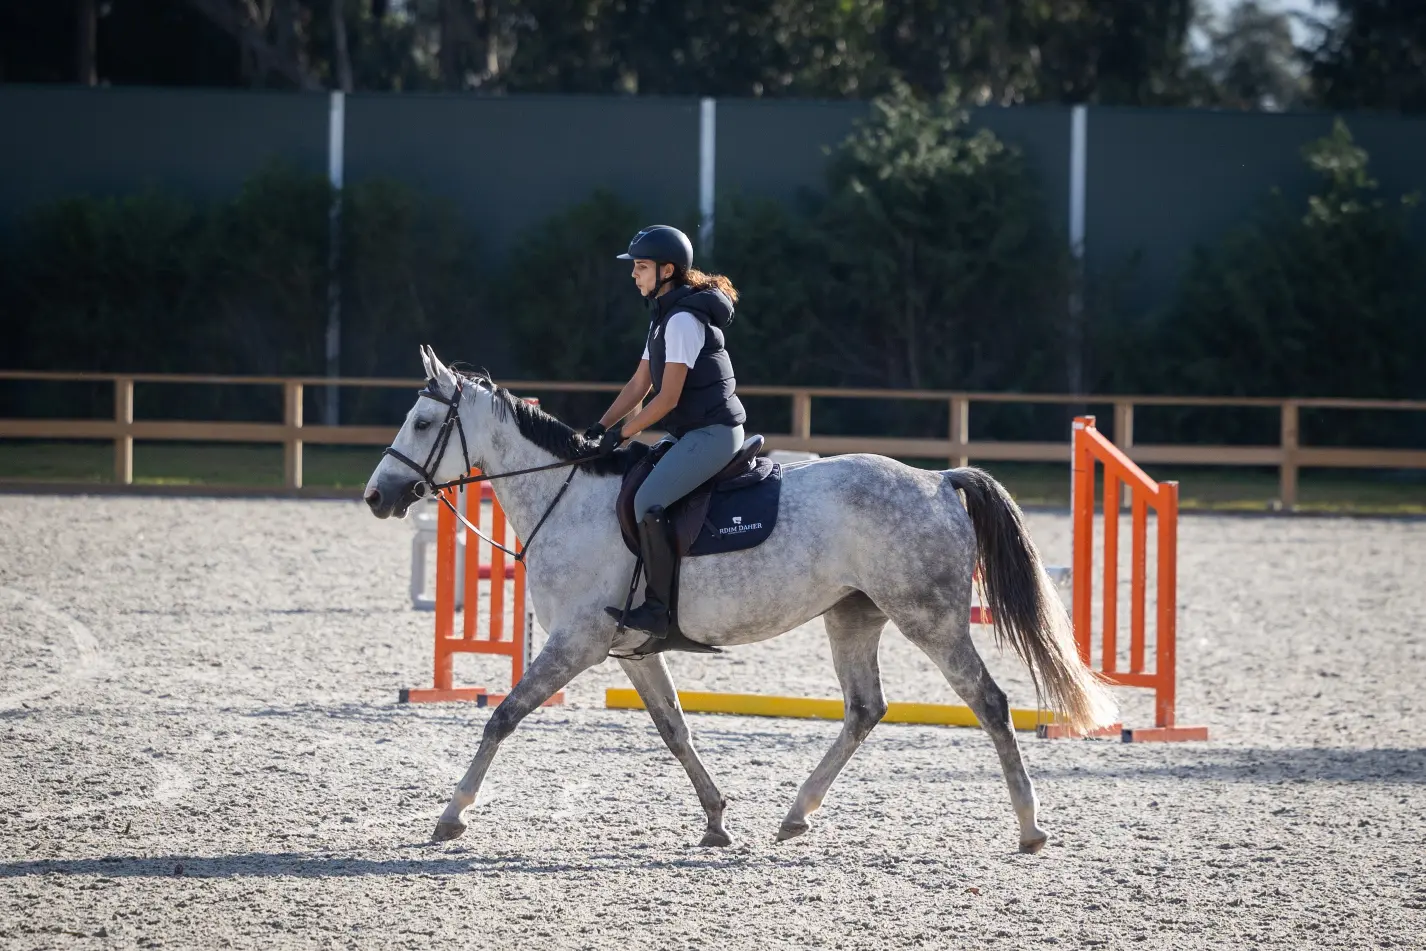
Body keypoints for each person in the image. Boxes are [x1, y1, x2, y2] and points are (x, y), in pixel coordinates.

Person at [585, 225, 747, 640]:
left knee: (648, 500)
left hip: (713, 433)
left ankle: (658, 610)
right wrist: (601, 426)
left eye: (641, 267)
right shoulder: (662, 319)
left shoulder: (682, 321)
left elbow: (667, 398)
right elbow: (639, 386)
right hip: (691, 432)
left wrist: (622, 434)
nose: (634, 275)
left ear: (667, 270)